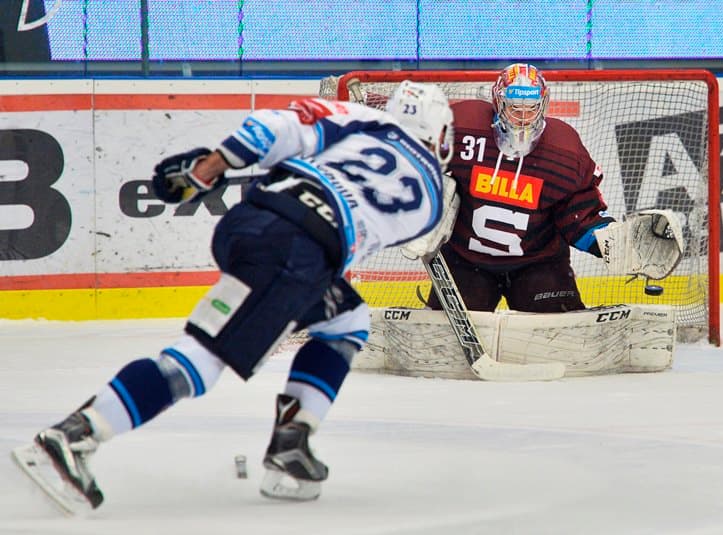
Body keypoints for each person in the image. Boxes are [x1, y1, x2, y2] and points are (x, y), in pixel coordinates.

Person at [13, 80, 456, 510]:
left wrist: (206, 169)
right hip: (296, 254)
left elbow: (276, 127)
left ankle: (292, 441)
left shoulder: (369, 122)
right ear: (439, 135)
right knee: (201, 362)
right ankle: (72, 436)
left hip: (255, 223)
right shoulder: (434, 196)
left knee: (347, 318)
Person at [425, 63, 615, 314]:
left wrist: (612, 242)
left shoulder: (564, 150)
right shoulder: (461, 128)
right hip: (465, 261)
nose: (524, 117)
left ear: (543, 105)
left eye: (532, 108)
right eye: (515, 108)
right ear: (499, 103)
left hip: (539, 264)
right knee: (441, 342)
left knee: (561, 341)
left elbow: (579, 216)